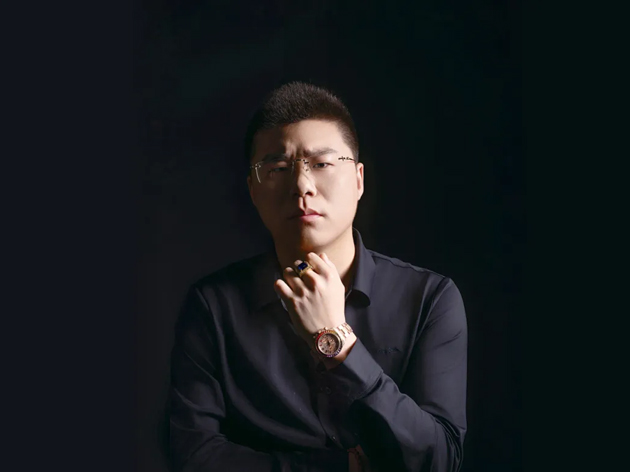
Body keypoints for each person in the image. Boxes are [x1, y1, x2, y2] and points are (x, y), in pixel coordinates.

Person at [167, 82, 468, 472]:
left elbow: (439, 460)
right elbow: (193, 457)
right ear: (253, 190)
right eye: (278, 169)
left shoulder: (429, 298)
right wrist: (337, 468)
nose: (301, 186)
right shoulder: (214, 305)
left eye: (322, 164)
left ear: (358, 180)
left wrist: (336, 341)